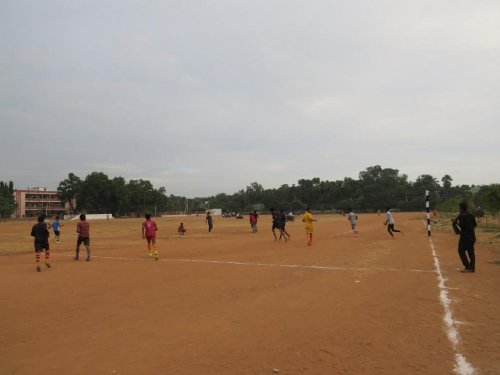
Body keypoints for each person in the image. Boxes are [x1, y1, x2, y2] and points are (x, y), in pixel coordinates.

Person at [452, 202, 477, 273]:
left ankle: (467, 266)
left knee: (461, 251)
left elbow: (461, 225)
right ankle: (472, 267)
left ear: (461, 208)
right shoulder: (471, 215)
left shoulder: (462, 216)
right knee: (471, 252)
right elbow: (475, 224)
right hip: (472, 235)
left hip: (465, 236)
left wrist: (456, 223)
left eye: (459, 207)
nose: (458, 208)